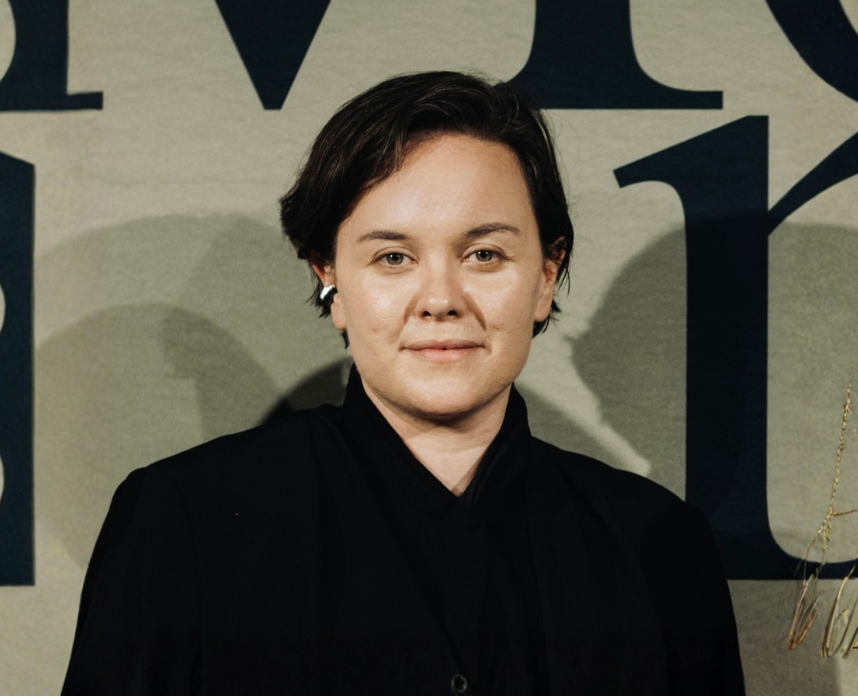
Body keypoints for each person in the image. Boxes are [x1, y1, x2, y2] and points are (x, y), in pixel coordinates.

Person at [61, 72, 745, 695]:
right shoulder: (185, 522)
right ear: (328, 276)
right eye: (393, 257)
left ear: (545, 276)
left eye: (484, 254)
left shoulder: (659, 548)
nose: (440, 299)